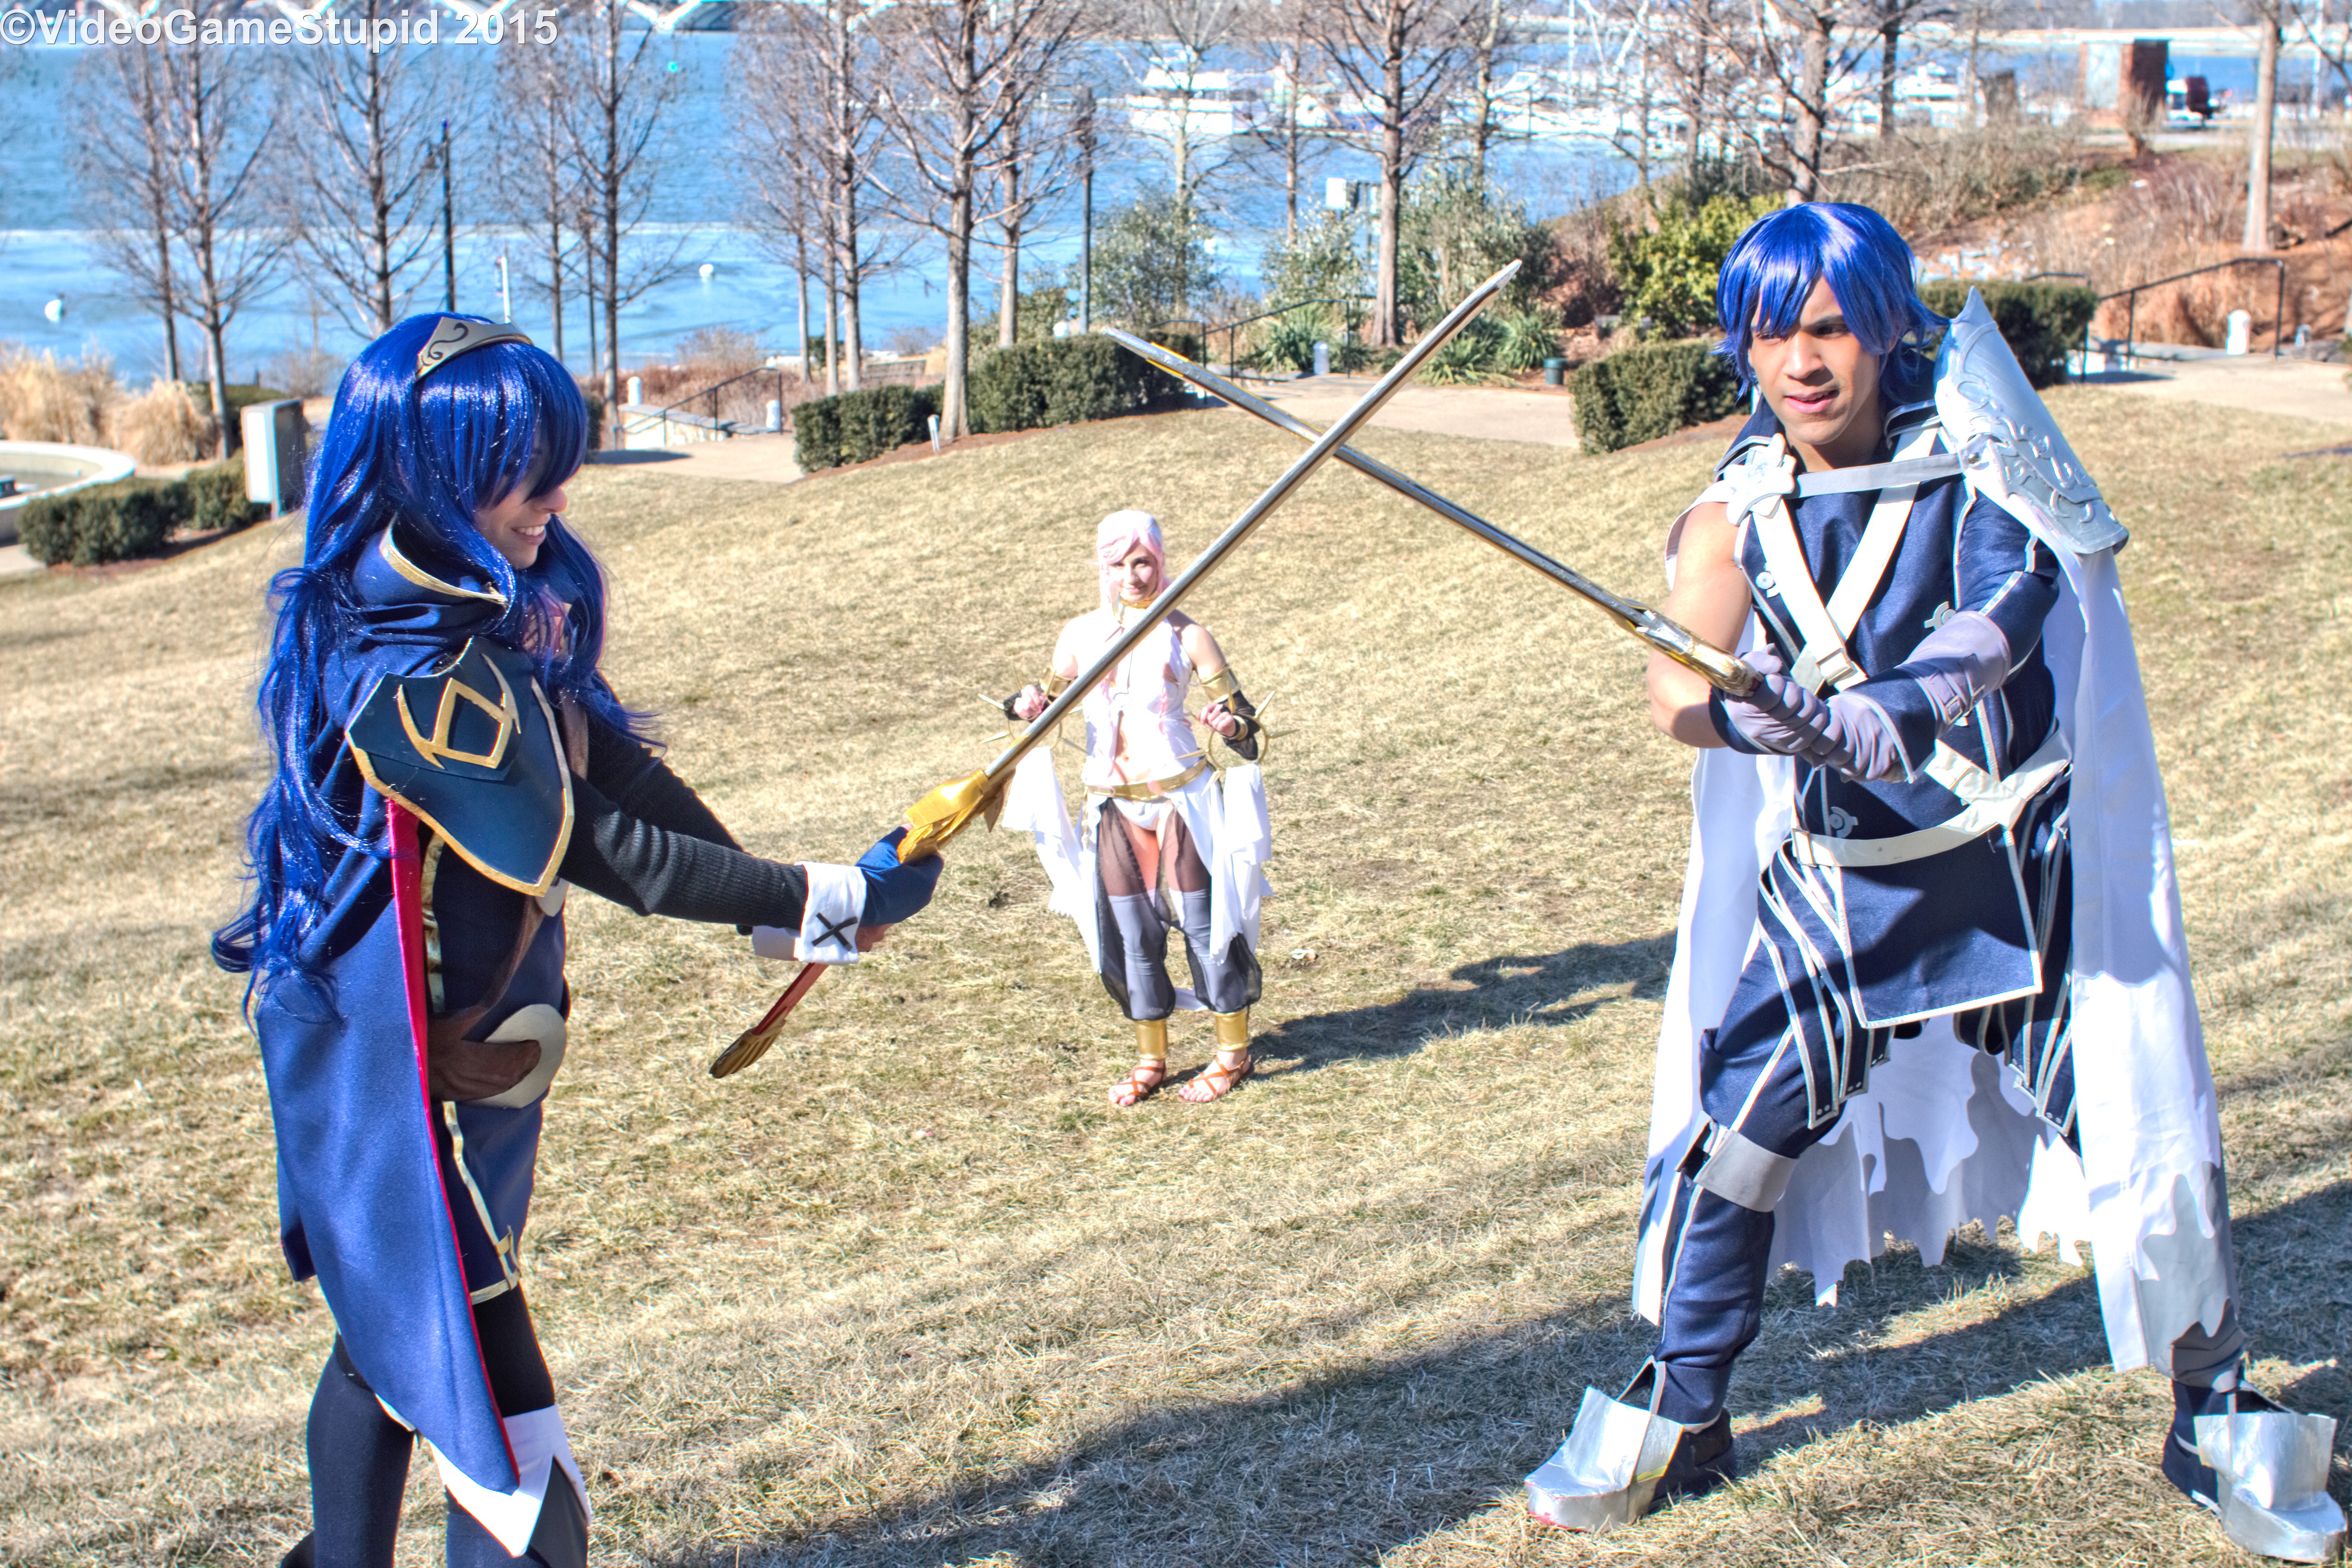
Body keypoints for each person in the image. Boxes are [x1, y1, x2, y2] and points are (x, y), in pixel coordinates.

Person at [1521, 205, 2345, 1563]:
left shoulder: (1977, 463)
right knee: (1733, 1144)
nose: (1802, 359)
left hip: (2009, 882)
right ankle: (1687, 1403)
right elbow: (1675, 684)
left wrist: (1899, 708)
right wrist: (1754, 719)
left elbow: (2004, 612)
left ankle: (2219, 1410)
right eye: (1774, 331)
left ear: (1888, 325)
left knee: (2138, 1128)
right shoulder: (1734, 511)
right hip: (1838, 897)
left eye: (1831, 325)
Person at [212, 315, 943, 1566]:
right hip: (394, 1117)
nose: (557, 494)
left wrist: (785, 911)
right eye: (523, 464)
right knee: (509, 1464)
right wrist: (835, 900)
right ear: (427, 468)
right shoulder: (408, 667)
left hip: (439, 1089)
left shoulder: (483, 616)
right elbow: (609, 848)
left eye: (560, 457)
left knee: (389, 1346)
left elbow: (607, 764)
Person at [996, 510, 1273, 1107]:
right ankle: (1152, 1058)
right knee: (1132, 936)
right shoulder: (1079, 637)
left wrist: (1229, 724)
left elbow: (1250, 732)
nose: (1132, 574)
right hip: (1112, 806)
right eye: (1118, 563)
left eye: (1142, 561)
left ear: (1160, 562)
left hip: (1179, 799)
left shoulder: (1186, 634)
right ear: (1103, 566)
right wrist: (1022, 705)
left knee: (1206, 926)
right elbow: (1039, 707)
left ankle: (1232, 1055)